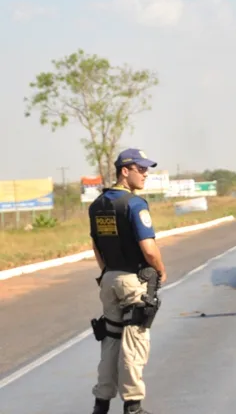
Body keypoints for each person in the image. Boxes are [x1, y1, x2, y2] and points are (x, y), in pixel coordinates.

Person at [88, 148, 167, 414]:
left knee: (110, 339)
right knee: (134, 340)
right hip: (134, 280)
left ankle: (101, 403)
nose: (146, 174)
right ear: (125, 171)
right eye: (141, 169)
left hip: (109, 278)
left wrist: (106, 273)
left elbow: (96, 245)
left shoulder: (97, 205)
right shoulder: (134, 204)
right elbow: (149, 248)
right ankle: (133, 406)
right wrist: (161, 269)